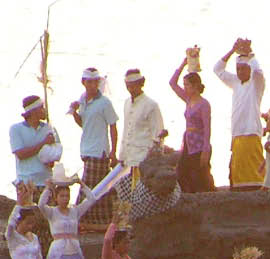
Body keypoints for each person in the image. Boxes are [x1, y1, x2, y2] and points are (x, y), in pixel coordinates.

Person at [69, 68, 119, 228]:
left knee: (89, 187)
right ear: (83, 83)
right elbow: (84, 124)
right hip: (86, 149)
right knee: (99, 189)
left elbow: (113, 126)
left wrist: (113, 151)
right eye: (89, 82)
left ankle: (80, 218)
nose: (92, 85)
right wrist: (75, 113)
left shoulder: (104, 102)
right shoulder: (83, 100)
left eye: (95, 82)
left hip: (99, 150)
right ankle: (100, 221)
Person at [214, 40, 267, 190]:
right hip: (237, 133)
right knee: (238, 172)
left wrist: (250, 55)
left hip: (251, 131)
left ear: (249, 68)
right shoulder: (236, 82)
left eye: (244, 69)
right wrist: (232, 50)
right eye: (238, 69)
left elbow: (258, 72)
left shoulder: (256, 84)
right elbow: (217, 69)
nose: (240, 72)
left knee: (255, 171)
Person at [169, 60, 214, 193]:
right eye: (184, 85)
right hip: (188, 141)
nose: (185, 87)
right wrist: (183, 64)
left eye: (187, 85)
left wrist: (206, 149)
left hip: (199, 143)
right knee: (182, 172)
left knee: (199, 173)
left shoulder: (204, 104)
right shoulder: (187, 99)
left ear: (195, 86)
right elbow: (172, 83)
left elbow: (207, 127)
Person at [118, 69, 167, 173]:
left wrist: (153, 160)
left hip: (143, 160)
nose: (131, 89)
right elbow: (126, 130)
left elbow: (158, 134)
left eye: (134, 85)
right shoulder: (127, 103)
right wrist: (122, 154)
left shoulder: (151, 105)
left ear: (141, 84)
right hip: (128, 159)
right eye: (128, 86)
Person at [10, 95, 58, 189]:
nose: (44, 110)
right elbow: (20, 154)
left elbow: (53, 158)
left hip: (47, 181)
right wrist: (44, 143)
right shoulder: (16, 129)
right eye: (41, 108)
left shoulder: (49, 129)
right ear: (33, 111)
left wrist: (50, 156)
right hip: (27, 182)